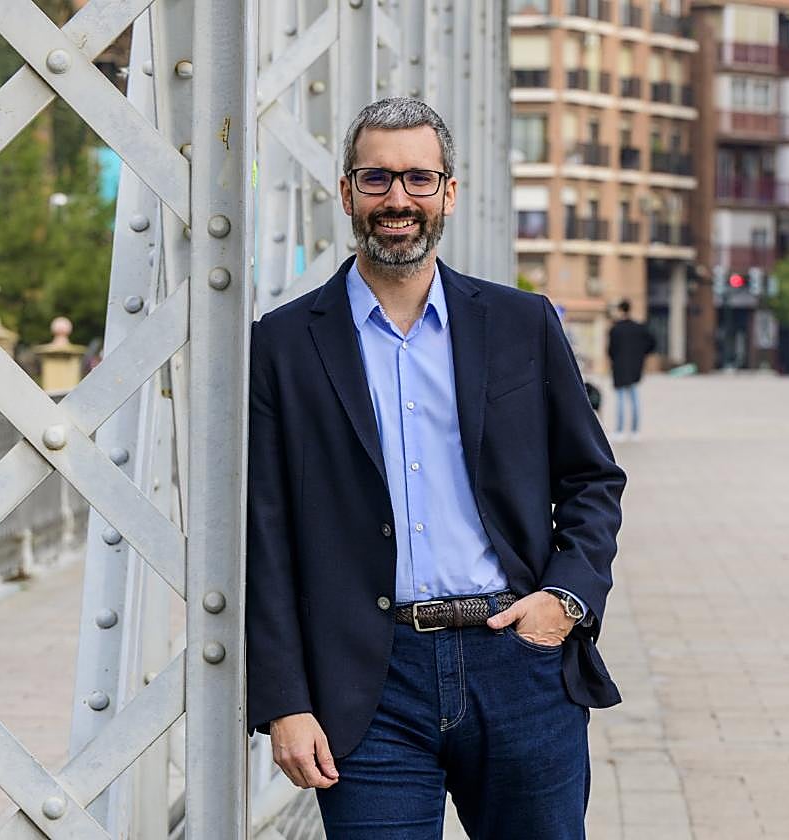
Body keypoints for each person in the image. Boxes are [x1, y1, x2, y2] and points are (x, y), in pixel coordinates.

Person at [245, 98, 626, 839]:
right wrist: (284, 701)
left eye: (419, 179)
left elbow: (591, 480)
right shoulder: (282, 345)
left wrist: (565, 601)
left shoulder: (521, 324)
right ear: (347, 192)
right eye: (377, 179)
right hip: (366, 684)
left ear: (449, 192)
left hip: (518, 663)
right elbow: (265, 532)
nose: (398, 199)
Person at [606, 299, 656, 442]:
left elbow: (610, 350)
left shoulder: (615, 329)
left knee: (621, 400)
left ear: (621, 310)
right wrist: (641, 354)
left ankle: (620, 431)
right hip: (635, 367)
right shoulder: (639, 328)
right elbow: (652, 343)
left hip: (619, 368)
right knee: (635, 399)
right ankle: (635, 431)